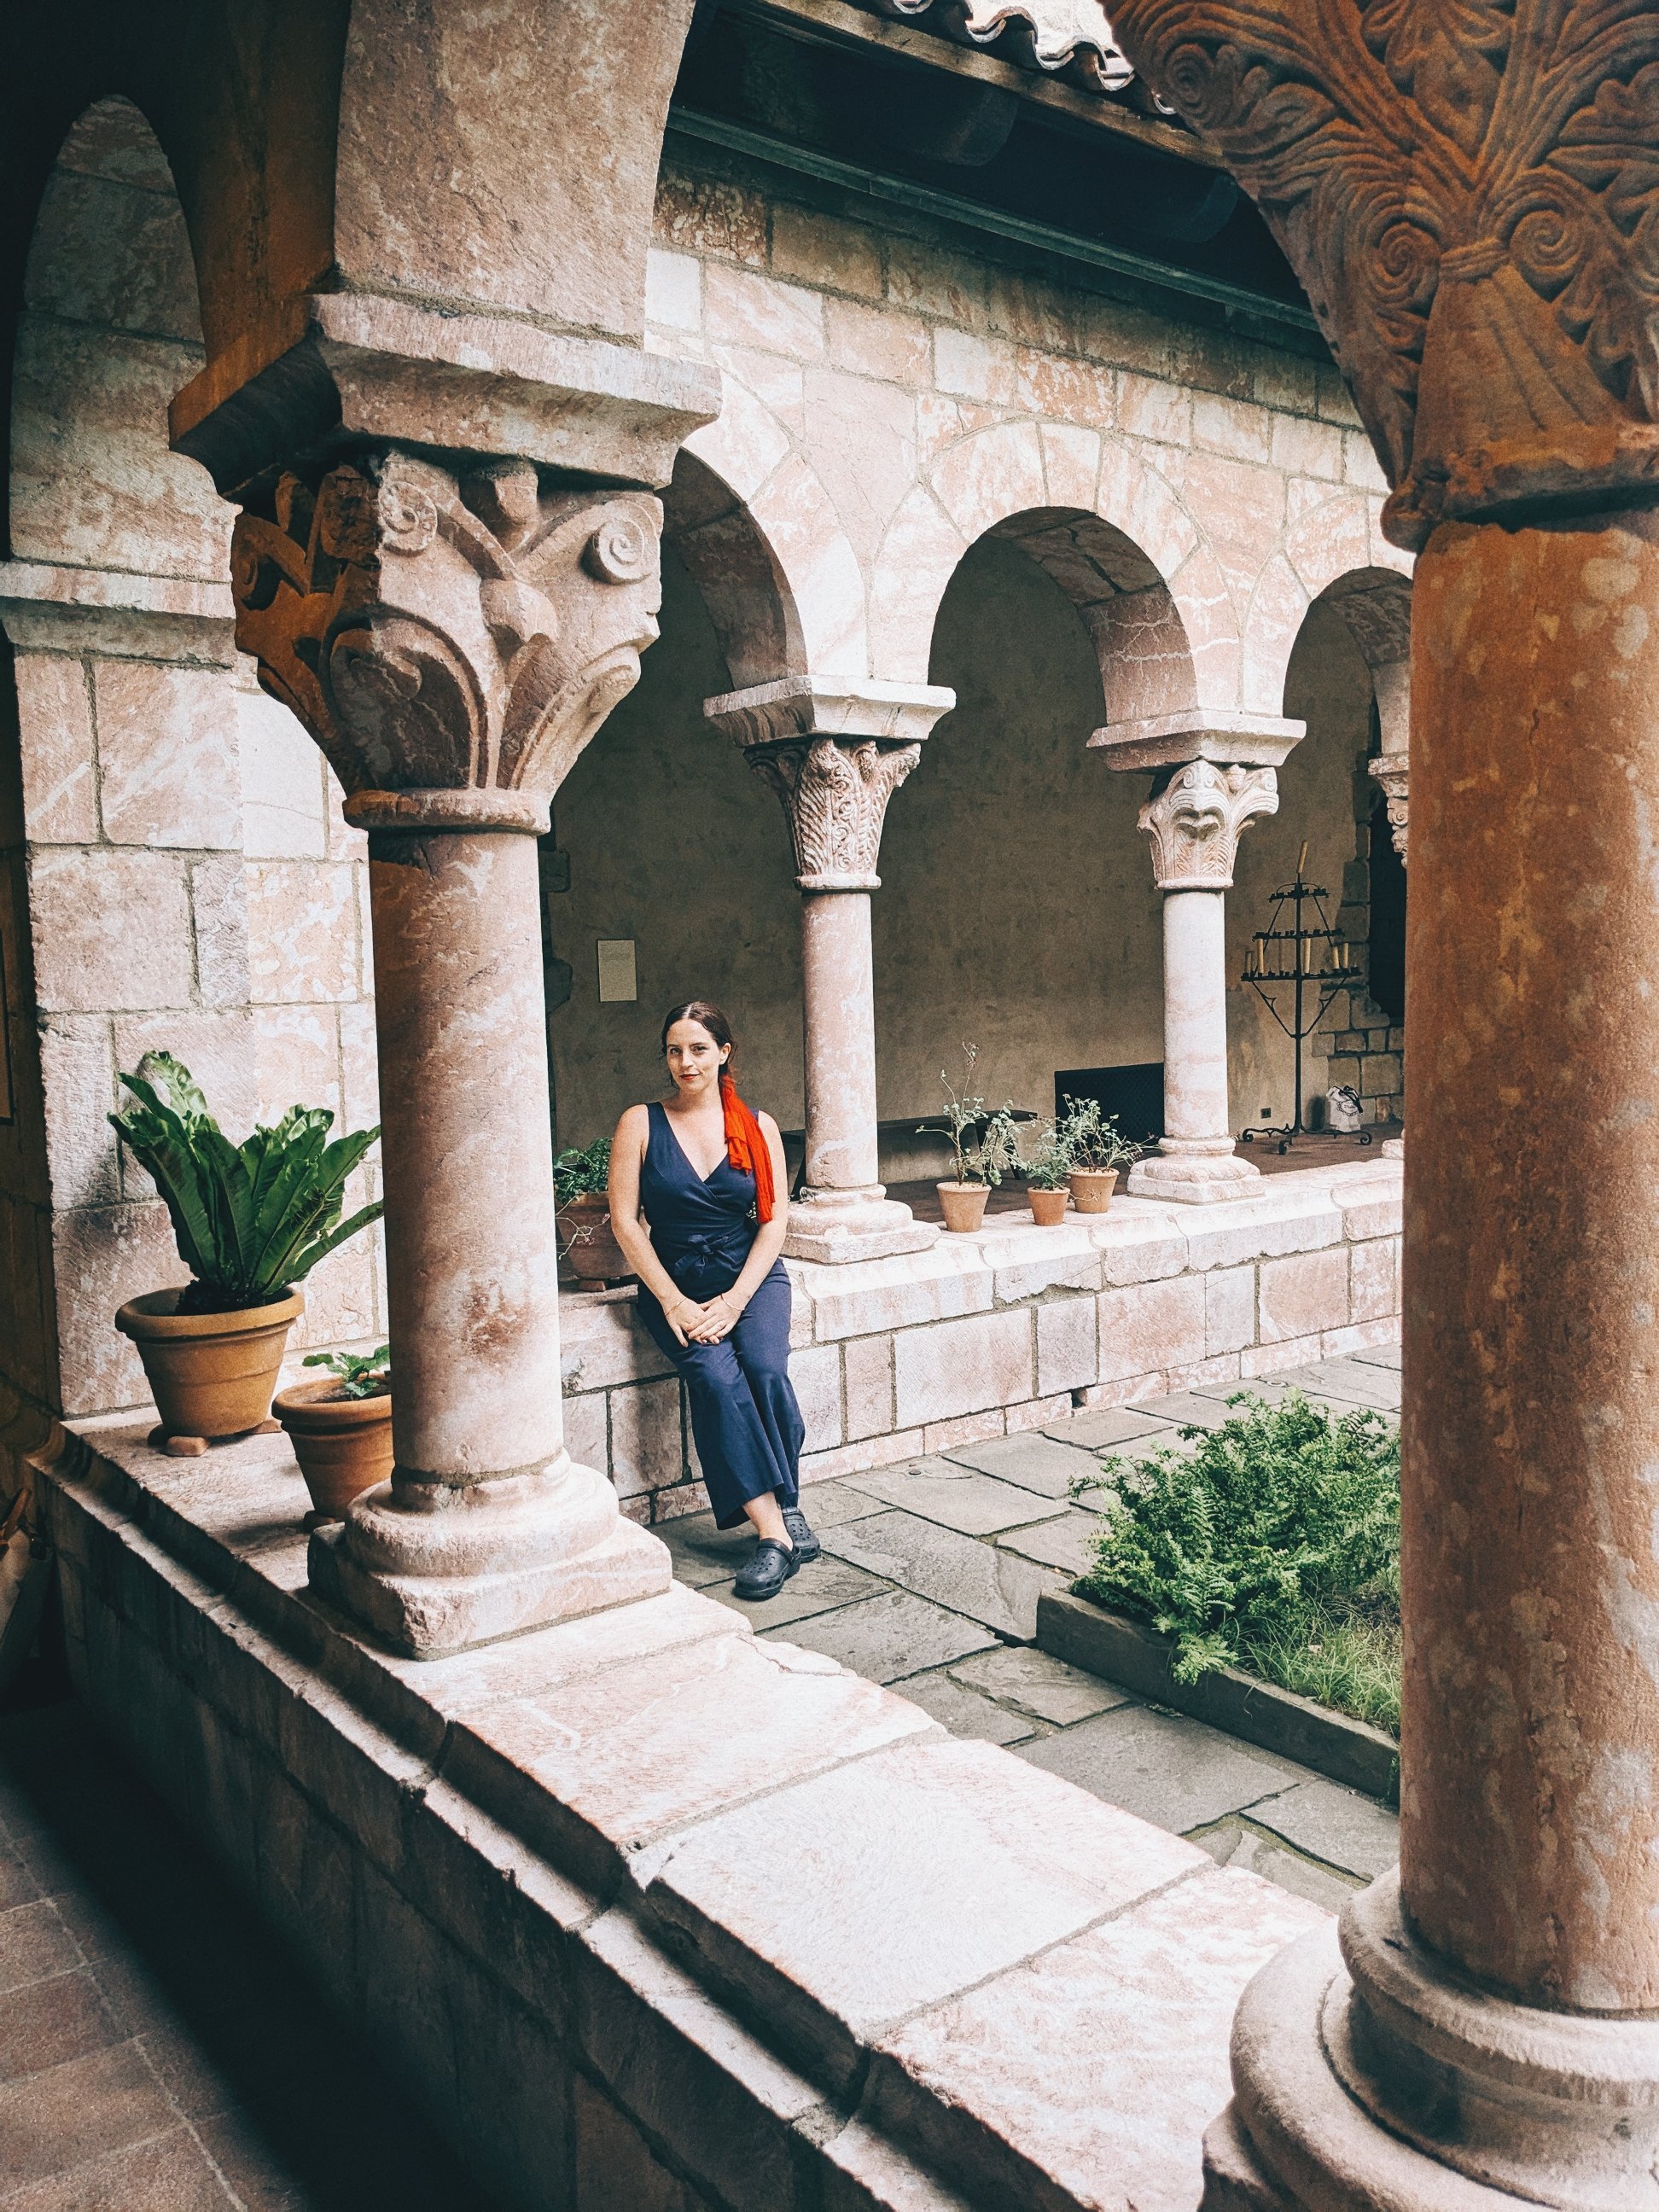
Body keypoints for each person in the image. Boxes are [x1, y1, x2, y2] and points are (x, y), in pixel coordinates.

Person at [608, 1001, 817, 1599]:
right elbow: (625, 1223)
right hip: (672, 1282)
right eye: (675, 1050)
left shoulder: (760, 1126)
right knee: (716, 1381)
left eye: (698, 1049)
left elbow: (773, 1225)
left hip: (750, 1275)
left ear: (724, 1053)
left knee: (766, 1368)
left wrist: (734, 1301)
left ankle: (788, 1498)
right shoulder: (640, 1123)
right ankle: (775, 1535)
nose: (685, 1062)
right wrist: (673, 1302)